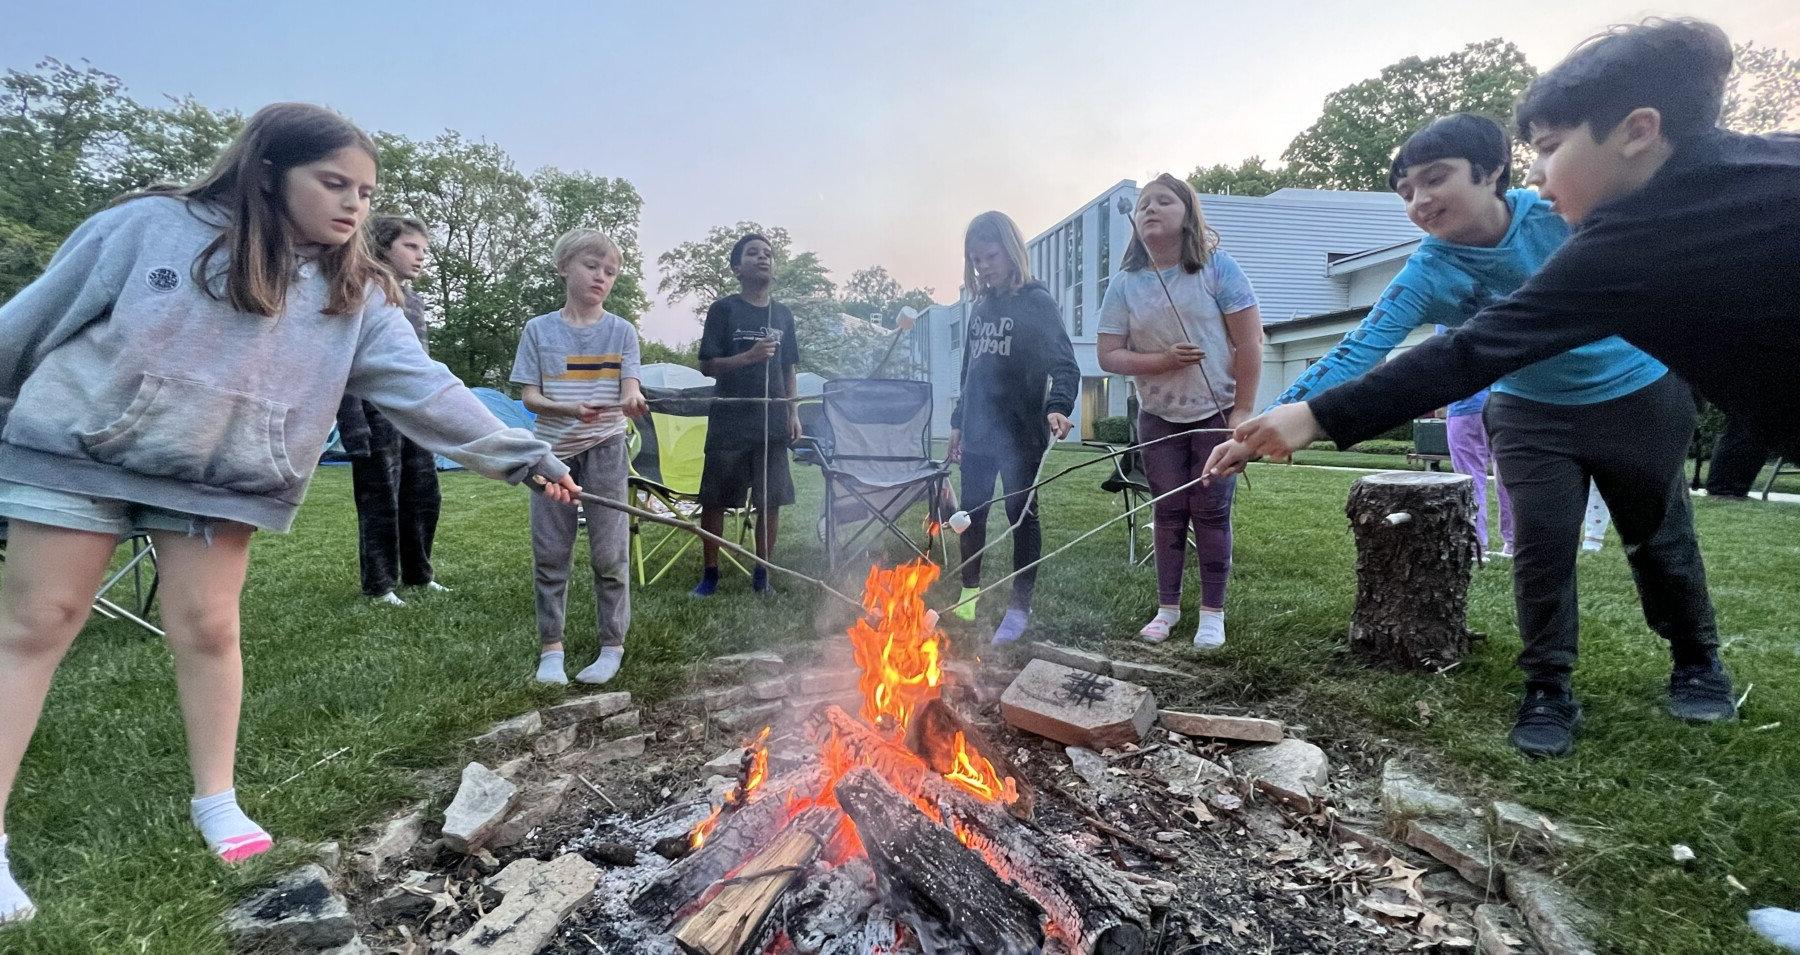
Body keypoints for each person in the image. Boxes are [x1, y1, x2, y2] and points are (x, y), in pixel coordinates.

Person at [0, 103, 577, 925]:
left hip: (222, 470)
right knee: (38, 622)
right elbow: (34, 320)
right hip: (77, 446)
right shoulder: (148, 226)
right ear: (268, 170)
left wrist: (522, 454)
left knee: (208, 627)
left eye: (366, 192)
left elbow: (425, 387)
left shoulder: (357, 290)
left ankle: (216, 800)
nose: (354, 207)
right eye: (334, 183)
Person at [1212, 19, 1797, 752]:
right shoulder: (1447, 263)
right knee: (1540, 548)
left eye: (1552, 150)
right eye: (1405, 190)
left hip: (1637, 394)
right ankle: (1548, 687)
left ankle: (1697, 662)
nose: (1419, 201)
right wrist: (1282, 416)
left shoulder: (1588, 226)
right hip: (1530, 409)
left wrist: (1314, 418)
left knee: (1660, 539)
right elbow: (1403, 348)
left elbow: (1472, 348)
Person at [1097, 174, 1262, 650]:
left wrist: (1243, 413)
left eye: (1164, 201)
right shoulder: (1124, 284)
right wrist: (1162, 362)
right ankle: (1167, 608)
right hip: (1158, 414)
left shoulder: (1217, 269)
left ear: (1188, 214)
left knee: (1210, 511)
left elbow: (1249, 342)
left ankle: (1213, 614)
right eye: (1145, 203)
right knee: (1167, 512)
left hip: (1216, 411)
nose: (1150, 208)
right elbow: (1109, 356)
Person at [511, 229, 644, 685]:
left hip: (607, 447)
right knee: (550, 553)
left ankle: (612, 646)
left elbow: (630, 384)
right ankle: (552, 651)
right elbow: (529, 396)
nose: (601, 278)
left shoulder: (622, 330)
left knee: (610, 554)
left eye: (610, 272)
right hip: (550, 454)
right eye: (592, 266)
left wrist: (631, 397)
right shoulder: (538, 330)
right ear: (564, 266)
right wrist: (569, 409)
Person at [946, 212, 1079, 644]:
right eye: (976, 259)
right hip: (979, 431)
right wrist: (957, 424)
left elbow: (1065, 363)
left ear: (1011, 251)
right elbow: (970, 371)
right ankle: (969, 593)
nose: (984, 266)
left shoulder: (1036, 302)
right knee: (972, 516)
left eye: (991, 256)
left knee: (1020, 515)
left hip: (1021, 431)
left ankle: (1019, 606)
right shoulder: (981, 306)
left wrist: (1057, 406)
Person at [336, 215, 446, 606]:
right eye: (411, 247)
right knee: (380, 501)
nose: (420, 257)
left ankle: (419, 575)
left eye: (423, 250)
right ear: (384, 245)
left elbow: (421, 366)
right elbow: (344, 364)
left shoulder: (412, 301)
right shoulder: (359, 291)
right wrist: (353, 426)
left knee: (424, 495)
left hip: (414, 415)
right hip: (372, 413)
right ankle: (380, 585)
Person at [692, 234, 800, 597]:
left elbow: (788, 369)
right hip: (729, 420)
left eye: (768, 254)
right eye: (753, 254)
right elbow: (708, 365)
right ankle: (710, 575)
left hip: (771, 421)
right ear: (737, 268)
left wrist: (792, 411)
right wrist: (749, 357)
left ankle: (763, 574)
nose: (763, 258)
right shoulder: (723, 310)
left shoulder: (783, 314)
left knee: (771, 500)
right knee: (716, 499)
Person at [1437, 376, 1515, 557]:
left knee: (1470, 478)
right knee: (1507, 476)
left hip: (1465, 408)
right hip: (1503, 405)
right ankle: (1513, 543)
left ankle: (1476, 546)